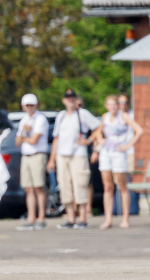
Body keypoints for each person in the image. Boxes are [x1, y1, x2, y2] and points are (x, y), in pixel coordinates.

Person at [47, 90, 99, 229]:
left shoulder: (82, 114)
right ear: (64, 101)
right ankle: (71, 218)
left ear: (76, 100)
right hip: (62, 155)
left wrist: (88, 140)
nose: (70, 100)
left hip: (78, 154)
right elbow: (56, 138)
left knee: (80, 185)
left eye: (72, 98)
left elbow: (99, 127)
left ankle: (83, 217)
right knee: (65, 186)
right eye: (67, 98)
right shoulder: (61, 116)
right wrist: (52, 159)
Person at [90, 95, 144, 229]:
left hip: (119, 153)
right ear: (106, 106)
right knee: (107, 187)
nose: (112, 107)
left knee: (122, 185)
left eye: (115, 104)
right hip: (106, 153)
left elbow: (139, 130)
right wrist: (100, 140)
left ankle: (125, 218)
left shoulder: (124, 116)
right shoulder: (105, 117)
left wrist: (127, 145)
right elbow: (97, 132)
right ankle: (108, 218)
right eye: (110, 104)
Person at [15, 94, 50, 231]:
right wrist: (24, 132)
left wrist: (23, 137)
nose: (30, 108)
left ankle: (41, 217)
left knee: (39, 187)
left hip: (37, 154)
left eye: (32, 105)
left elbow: (34, 140)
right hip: (26, 155)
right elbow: (17, 142)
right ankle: (31, 217)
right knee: (28, 188)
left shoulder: (40, 119)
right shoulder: (23, 120)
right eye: (27, 105)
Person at [118, 94, 135, 173]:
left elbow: (139, 131)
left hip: (130, 149)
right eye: (120, 102)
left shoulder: (133, 115)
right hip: (117, 151)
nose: (122, 104)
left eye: (125, 102)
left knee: (129, 174)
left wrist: (128, 145)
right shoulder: (115, 115)